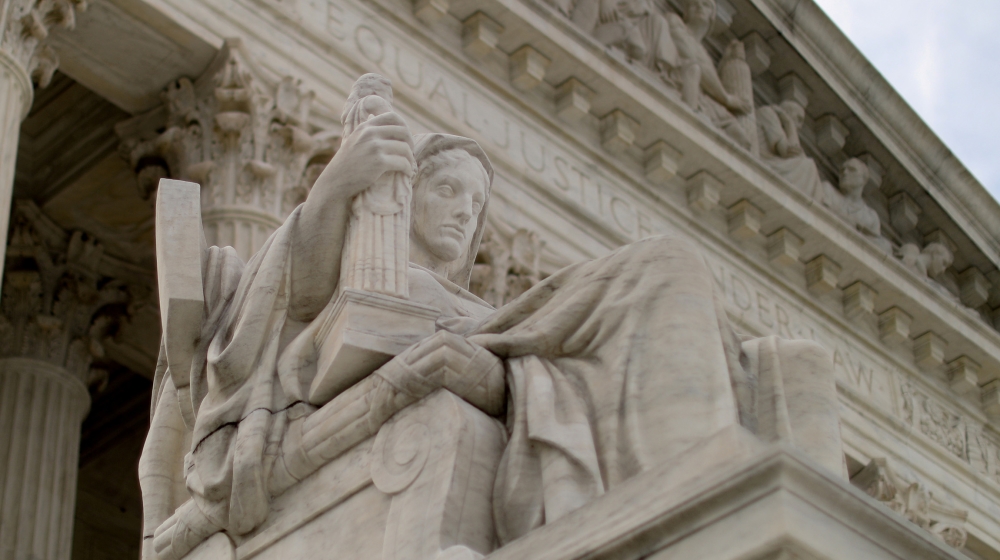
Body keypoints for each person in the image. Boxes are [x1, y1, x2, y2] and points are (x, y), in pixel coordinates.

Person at [141, 80, 845, 559]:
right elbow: (274, 330)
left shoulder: (484, 306)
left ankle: (781, 522)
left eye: (475, 206)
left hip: (504, 346)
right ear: (404, 192)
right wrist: (339, 184)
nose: (461, 212)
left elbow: (496, 343)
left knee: (794, 365)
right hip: (413, 372)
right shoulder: (358, 272)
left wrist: (494, 361)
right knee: (664, 267)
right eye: (445, 189)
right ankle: (697, 507)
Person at [757, 99, 827, 200]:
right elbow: (788, 152)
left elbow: (796, 155)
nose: (800, 125)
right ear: (786, 112)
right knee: (809, 166)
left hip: (774, 162)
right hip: (765, 161)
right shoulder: (768, 113)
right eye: (799, 119)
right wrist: (789, 123)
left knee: (808, 166)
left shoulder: (781, 128)